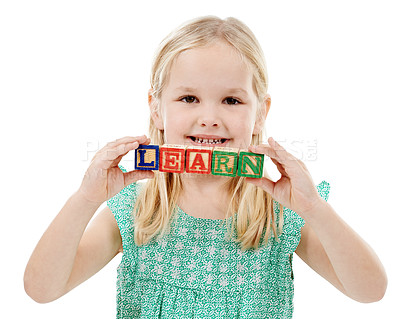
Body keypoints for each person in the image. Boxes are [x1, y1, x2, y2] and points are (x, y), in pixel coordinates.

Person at [24, 15, 387, 318]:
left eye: (231, 100)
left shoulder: (282, 214)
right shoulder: (135, 209)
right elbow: (42, 290)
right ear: (156, 108)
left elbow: (370, 292)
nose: (209, 118)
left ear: (260, 112)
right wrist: (84, 200)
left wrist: (314, 209)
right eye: (189, 98)